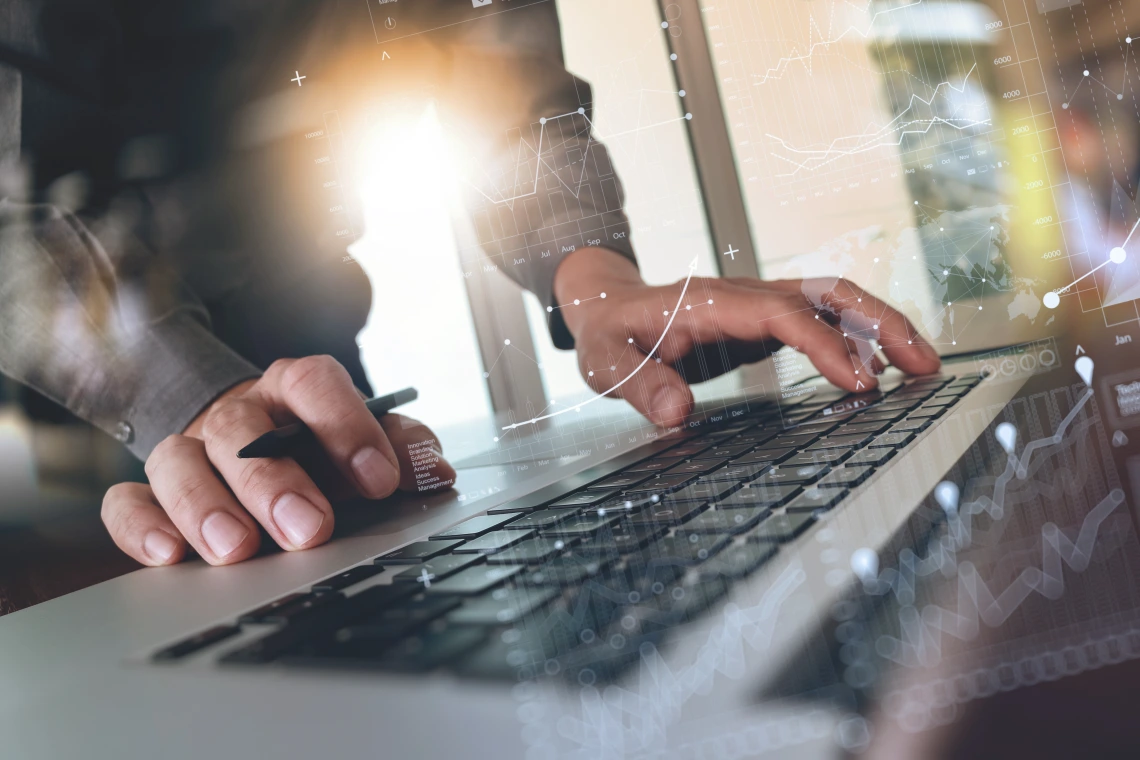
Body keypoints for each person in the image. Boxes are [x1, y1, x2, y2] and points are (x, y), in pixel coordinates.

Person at [0, 0, 940, 569]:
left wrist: (594, 275)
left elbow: (495, 75)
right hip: (66, 430)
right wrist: (186, 394)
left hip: (312, 371)